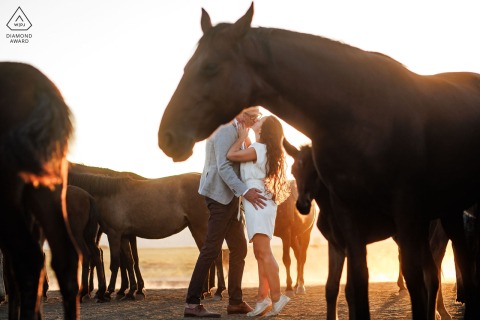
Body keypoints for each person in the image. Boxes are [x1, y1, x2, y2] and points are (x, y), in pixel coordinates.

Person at [184, 107, 267, 318]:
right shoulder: (224, 129)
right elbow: (223, 166)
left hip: (231, 198)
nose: (253, 120)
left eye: (256, 116)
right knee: (211, 249)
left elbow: (243, 158)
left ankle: (235, 302)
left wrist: (245, 139)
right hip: (219, 196)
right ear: (240, 112)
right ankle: (192, 304)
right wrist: (246, 191)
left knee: (239, 248)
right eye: (251, 116)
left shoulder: (239, 129)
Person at [227, 115, 291, 317]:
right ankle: (262, 299)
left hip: (258, 201)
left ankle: (277, 296)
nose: (257, 119)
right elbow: (247, 149)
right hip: (259, 200)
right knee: (260, 252)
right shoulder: (259, 147)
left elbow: (231, 155)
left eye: (260, 121)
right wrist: (245, 135)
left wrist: (240, 138)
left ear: (264, 130)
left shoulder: (258, 149)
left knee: (263, 252)